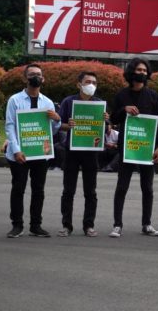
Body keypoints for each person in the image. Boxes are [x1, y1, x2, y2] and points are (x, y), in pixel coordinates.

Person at [109, 58, 158, 238]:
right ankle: (117, 224)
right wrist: (123, 109)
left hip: (147, 148)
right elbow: (113, 119)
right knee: (122, 186)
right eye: (138, 70)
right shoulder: (121, 95)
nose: (142, 73)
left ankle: (147, 224)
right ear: (131, 72)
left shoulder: (153, 96)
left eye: (144, 70)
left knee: (147, 188)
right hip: (127, 147)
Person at [4, 64, 62, 238]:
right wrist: (16, 150)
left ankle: (36, 225)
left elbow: (50, 132)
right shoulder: (15, 100)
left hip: (40, 153)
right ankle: (17, 225)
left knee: (38, 190)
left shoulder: (48, 102)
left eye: (38, 74)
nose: (35, 77)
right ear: (25, 78)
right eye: (32, 74)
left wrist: (57, 120)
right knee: (18, 188)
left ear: (43, 79)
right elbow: (10, 126)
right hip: (19, 154)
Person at [57, 71, 109, 237]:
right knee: (68, 190)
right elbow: (60, 125)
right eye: (88, 81)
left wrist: (106, 121)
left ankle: (89, 225)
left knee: (90, 191)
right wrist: (68, 125)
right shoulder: (68, 101)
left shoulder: (99, 103)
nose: (91, 85)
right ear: (78, 84)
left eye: (94, 82)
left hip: (91, 152)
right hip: (72, 150)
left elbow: (106, 129)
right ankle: (67, 225)